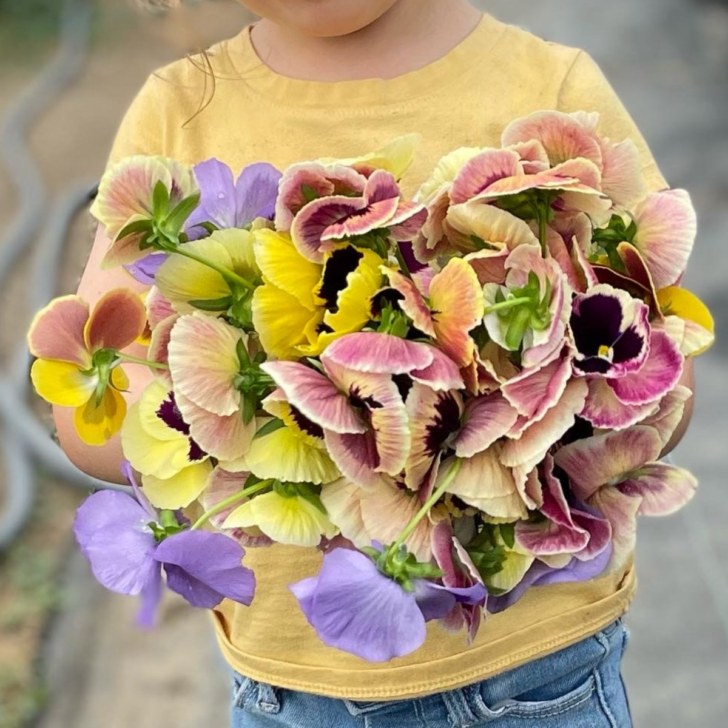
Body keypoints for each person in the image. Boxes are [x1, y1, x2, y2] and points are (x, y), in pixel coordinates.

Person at [56, 1, 695, 726]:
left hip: (537, 673)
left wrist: (526, 410)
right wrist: (231, 418)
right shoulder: (178, 111)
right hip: (293, 692)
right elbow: (90, 385)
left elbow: (665, 376)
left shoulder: (548, 88)